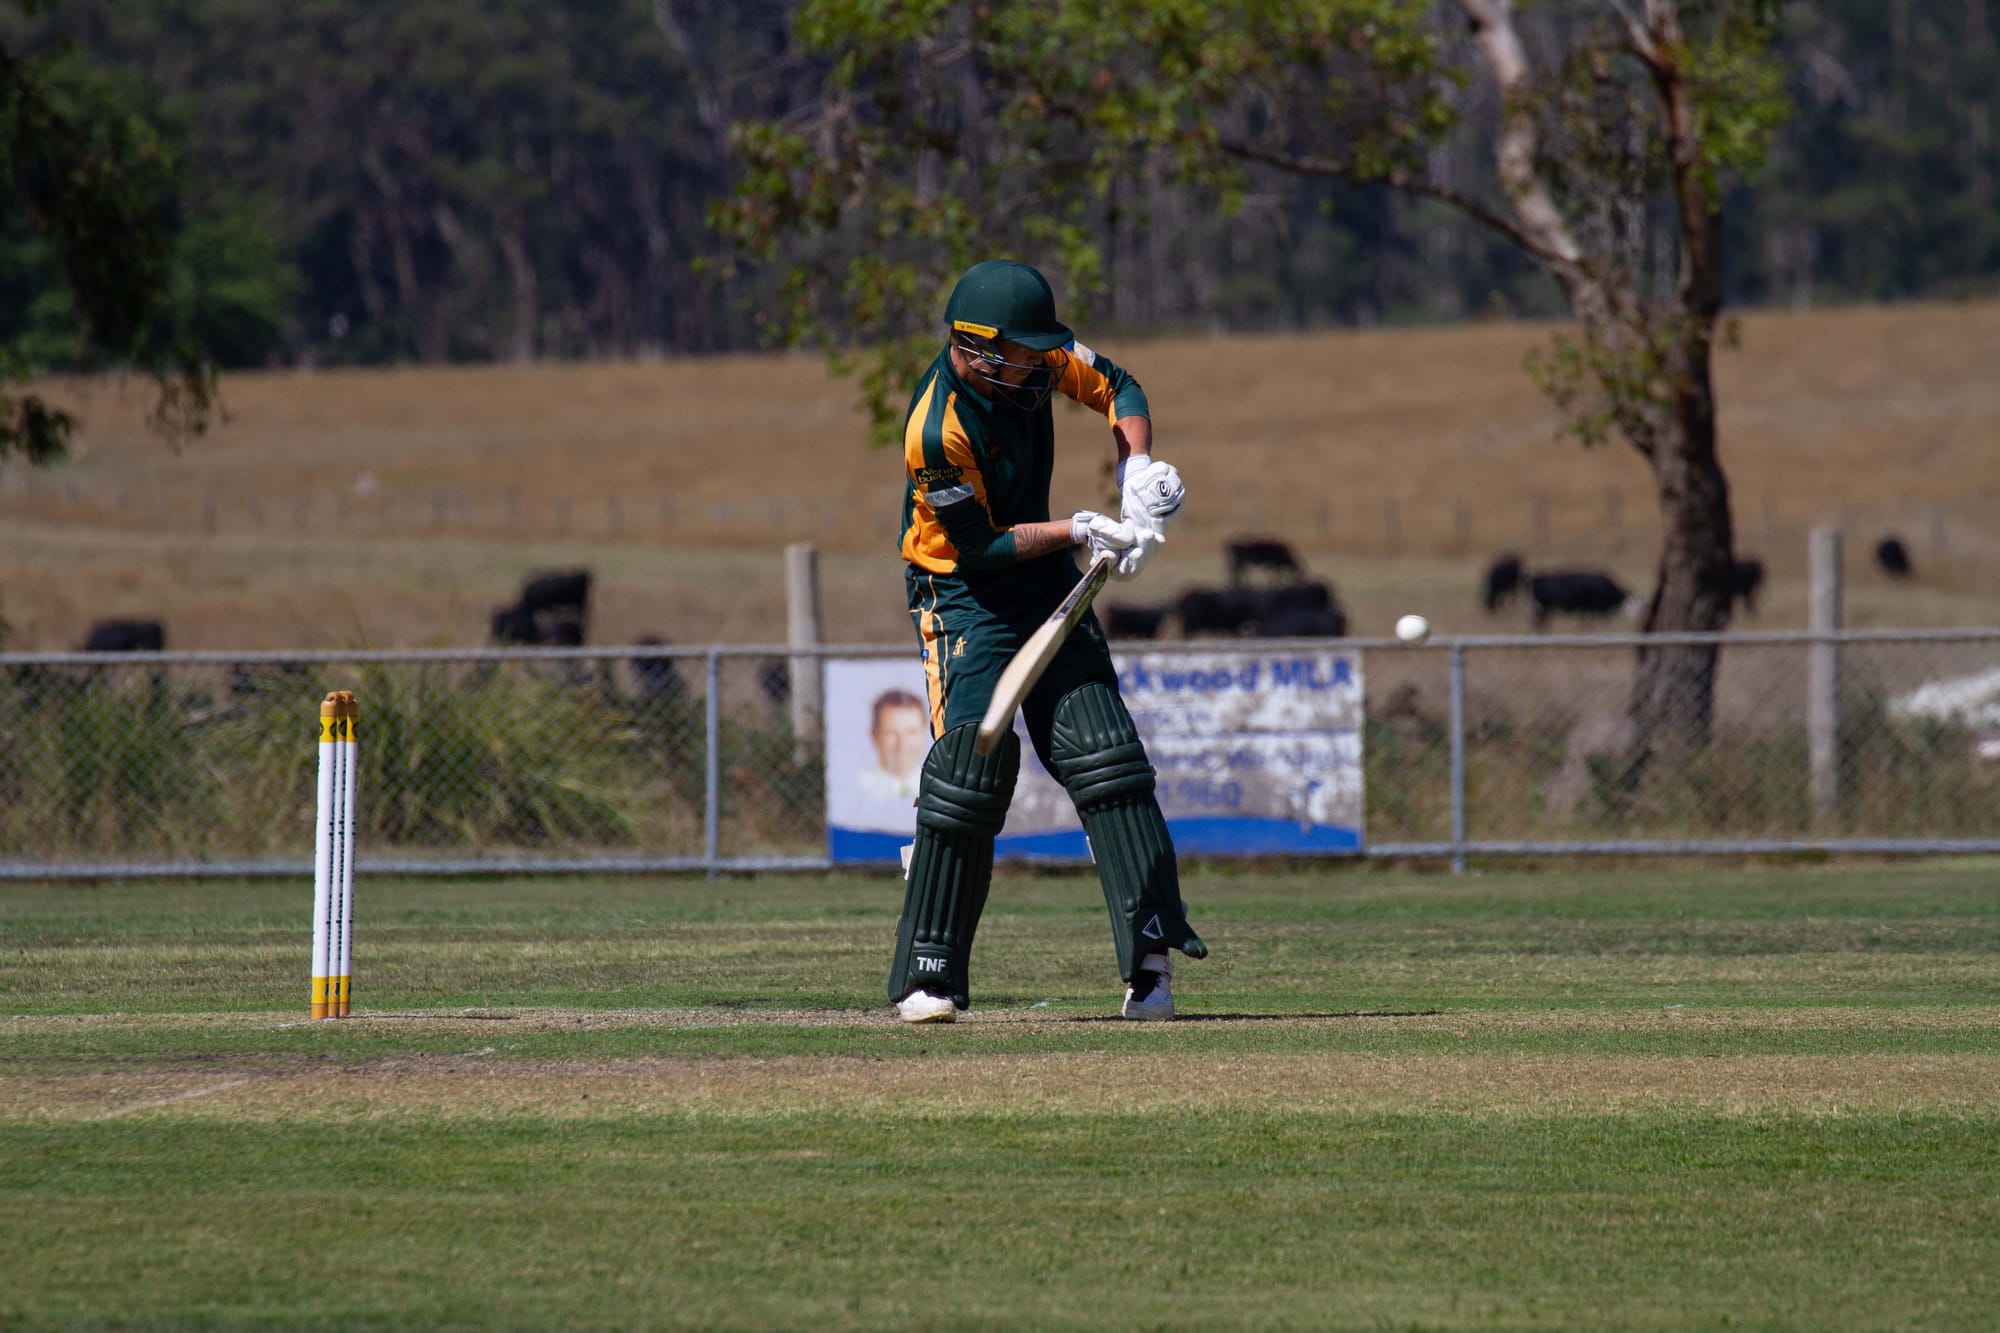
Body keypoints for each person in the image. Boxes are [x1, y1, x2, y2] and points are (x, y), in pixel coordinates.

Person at [888, 258, 1205, 1024]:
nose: (1040, 365)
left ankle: (1151, 962)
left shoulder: (1034, 357)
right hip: (962, 592)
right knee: (972, 769)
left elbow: (1120, 385)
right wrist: (1079, 528)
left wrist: (1138, 471)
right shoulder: (936, 431)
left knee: (1107, 754)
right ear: (976, 349)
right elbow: (983, 550)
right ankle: (928, 974)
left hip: (1042, 579)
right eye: (1023, 354)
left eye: (1041, 351)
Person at [858, 688, 928, 803]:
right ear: (874, 736)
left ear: (924, 732)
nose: (902, 744)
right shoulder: (862, 786)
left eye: (911, 732)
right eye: (891, 732)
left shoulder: (939, 787)